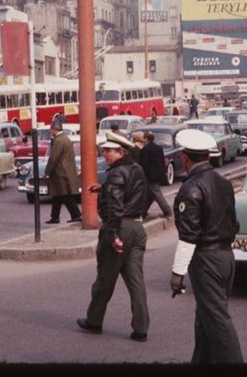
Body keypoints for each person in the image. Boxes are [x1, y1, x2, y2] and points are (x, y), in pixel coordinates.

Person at [170, 129, 243, 363]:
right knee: (206, 318)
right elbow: (234, 222)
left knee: (217, 320)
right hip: (226, 256)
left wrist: (177, 272)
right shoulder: (224, 183)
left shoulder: (191, 188)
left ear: (185, 157)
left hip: (206, 260)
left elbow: (189, 235)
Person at [77, 139, 149, 342]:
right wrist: (104, 187)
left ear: (120, 151)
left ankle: (94, 321)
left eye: (108, 151)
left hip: (120, 227)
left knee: (104, 280)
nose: (104, 154)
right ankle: (141, 329)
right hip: (137, 227)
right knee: (136, 281)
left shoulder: (117, 173)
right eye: (103, 150)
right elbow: (132, 191)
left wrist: (114, 235)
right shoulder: (136, 168)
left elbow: (116, 208)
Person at [44, 120, 82, 224]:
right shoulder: (65, 138)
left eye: (51, 130)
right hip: (65, 170)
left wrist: (47, 171)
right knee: (57, 195)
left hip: (60, 171)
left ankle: (76, 214)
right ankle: (55, 217)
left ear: (53, 130)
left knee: (64, 194)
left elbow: (53, 157)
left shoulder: (59, 141)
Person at [140, 131, 174, 220]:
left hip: (149, 175)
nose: (142, 140)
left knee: (156, 193)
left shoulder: (145, 149)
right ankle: (142, 212)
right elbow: (162, 162)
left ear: (146, 139)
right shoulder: (159, 148)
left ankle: (167, 211)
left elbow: (144, 164)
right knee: (149, 195)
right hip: (158, 174)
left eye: (144, 138)